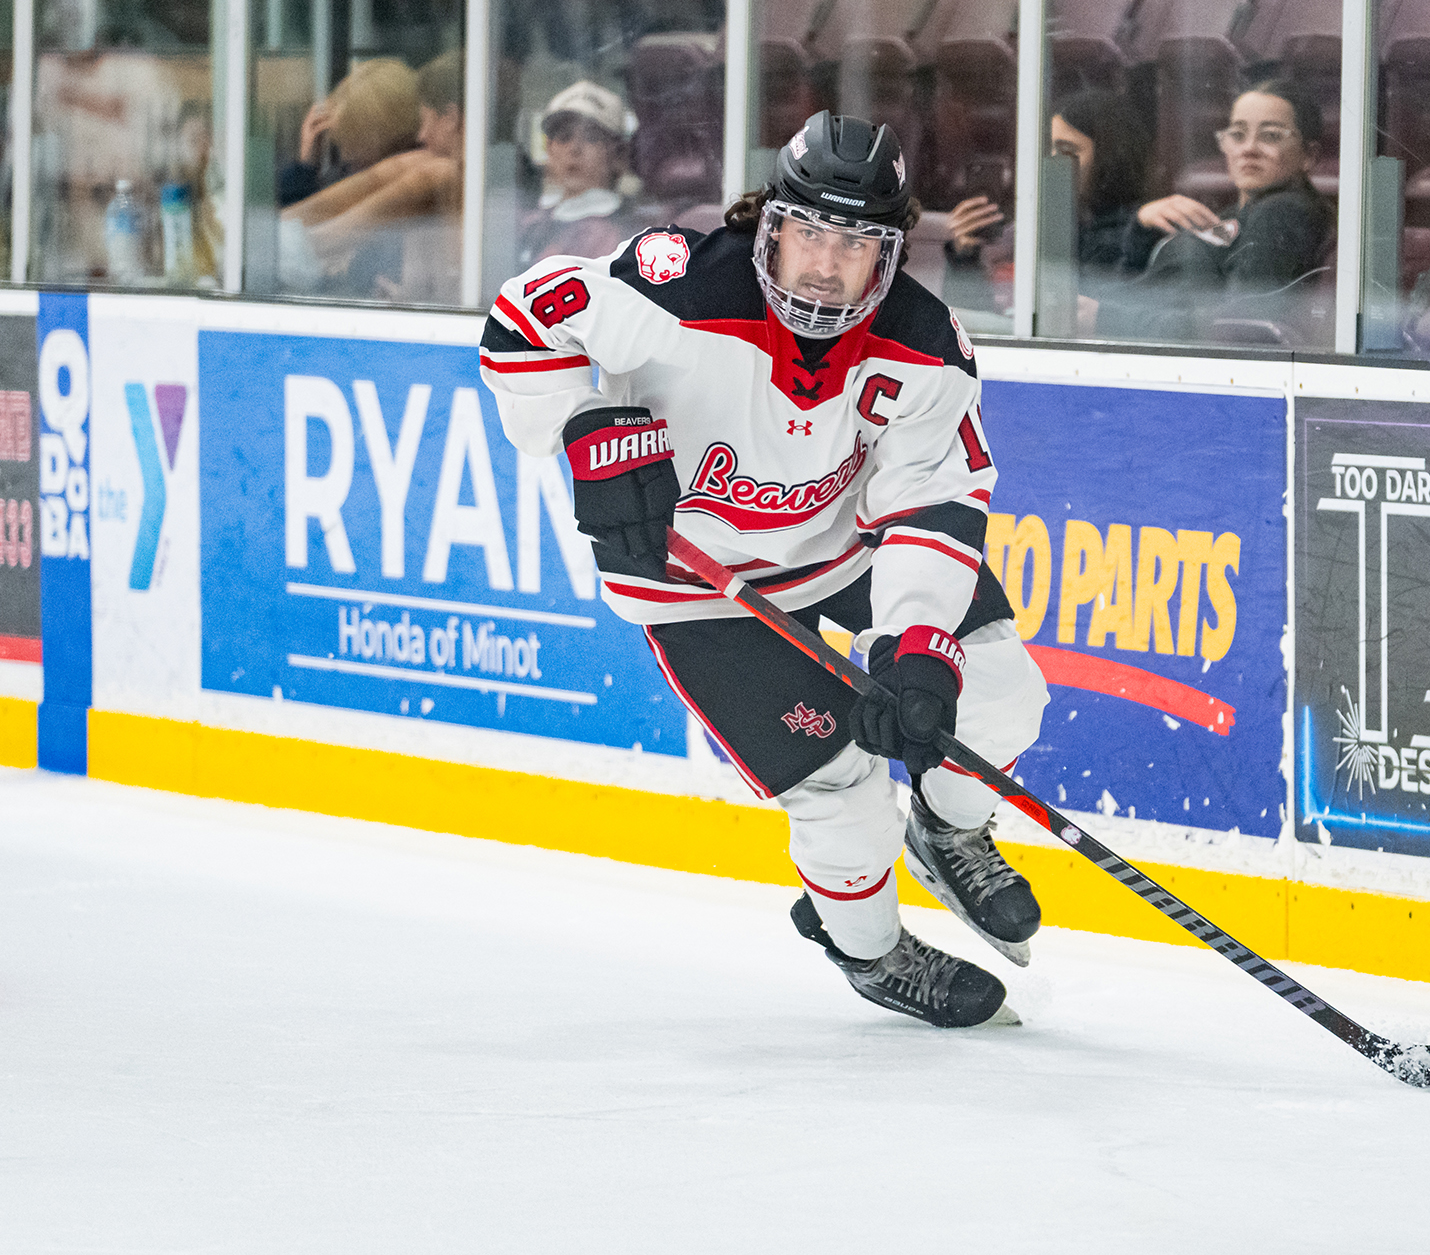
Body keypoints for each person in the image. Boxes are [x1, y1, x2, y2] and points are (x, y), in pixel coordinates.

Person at [478, 111, 1051, 1030]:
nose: (826, 266)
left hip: (841, 543)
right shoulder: (677, 287)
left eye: (855, 245)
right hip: (697, 585)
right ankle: (870, 950)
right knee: (841, 795)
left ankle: (949, 828)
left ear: (892, 256)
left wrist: (914, 647)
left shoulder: (926, 343)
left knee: (998, 692)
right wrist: (580, 425)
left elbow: (933, 505)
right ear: (769, 226)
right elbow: (521, 324)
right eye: (809, 236)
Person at [1097, 80, 1335, 341]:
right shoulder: (1233, 216)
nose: (1248, 149)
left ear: (1309, 156)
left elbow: (1239, 325)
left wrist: (1104, 319)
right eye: (1237, 134)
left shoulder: (1282, 212)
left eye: (1270, 136)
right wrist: (1143, 229)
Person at [940, 89, 1152, 324]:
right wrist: (965, 257)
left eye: (1067, 152)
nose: (1052, 164)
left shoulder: (1140, 234)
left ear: (1110, 158)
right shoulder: (1032, 231)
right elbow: (977, 331)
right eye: (1048, 152)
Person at [280, 51, 467, 301]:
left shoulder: (430, 177)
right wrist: (304, 168)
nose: (347, 166)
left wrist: (273, 245)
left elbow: (310, 246)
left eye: (356, 155)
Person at [515, 79, 640, 268]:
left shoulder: (625, 236)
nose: (574, 149)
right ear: (549, 149)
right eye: (564, 138)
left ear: (618, 154)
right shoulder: (529, 223)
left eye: (591, 138)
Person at [278, 58, 421, 207]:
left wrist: (302, 173)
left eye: (356, 159)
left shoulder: (409, 193)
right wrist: (306, 163)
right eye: (339, 147)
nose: (345, 157)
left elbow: (301, 221)